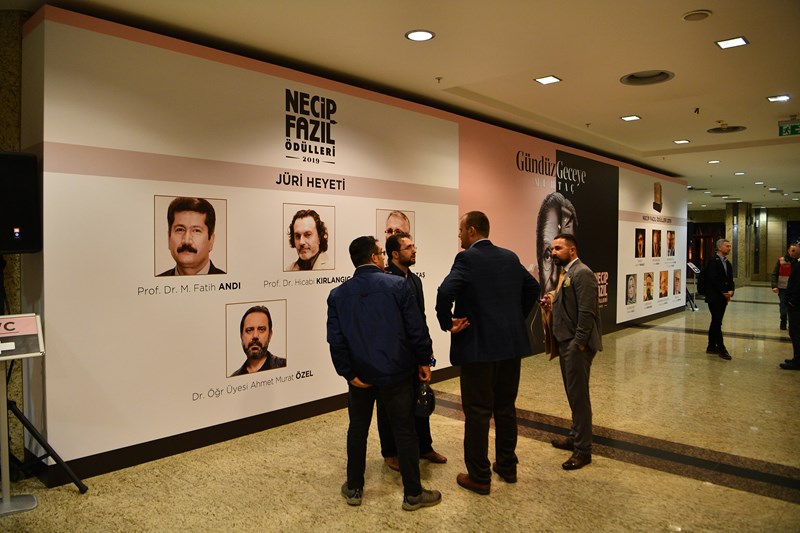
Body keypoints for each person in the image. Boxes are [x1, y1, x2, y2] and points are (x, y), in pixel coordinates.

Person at [327, 236, 441, 511]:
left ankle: (354, 488)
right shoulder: (398, 286)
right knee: (405, 430)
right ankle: (413, 493)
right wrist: (424, 360)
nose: (382, 256)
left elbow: (336, 340)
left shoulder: (338, 295)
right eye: (380, 252)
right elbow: (416, 329)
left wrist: (348, 373)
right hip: (396, 373)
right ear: (374, 257)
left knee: (358, 430)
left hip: (360, 378)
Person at [436, 211, 540, 495]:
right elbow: (533, 287)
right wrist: (514, 319)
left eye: (460, 230)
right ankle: (507, 466)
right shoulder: (509, 257)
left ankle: (479, 476)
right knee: (505, 408)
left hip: (478, 349)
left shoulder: (467, 259)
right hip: (511, 347)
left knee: (478, 412)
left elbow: (445, 292)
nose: (459, 235)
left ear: (472, 230)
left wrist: (447, 322)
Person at [377, 232, 447, 471]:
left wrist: (426, 352)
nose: (414, 250)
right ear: (395, 254)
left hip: (415, 353)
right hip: (394, 356)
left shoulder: (415, 281)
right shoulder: (385, 281)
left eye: (413, 246)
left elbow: (420, 319)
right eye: (408, 247)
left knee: (421, 399)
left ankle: (425, 447)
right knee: (389, 406)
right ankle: (390, 452)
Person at [540, 233, 602, 471]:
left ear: (572, 250)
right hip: (566, 343)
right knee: (572, 394)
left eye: (558, 248)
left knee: (579, 397)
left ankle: (583, 450)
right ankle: (576, 436)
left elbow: (587, 311)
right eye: (552, 248)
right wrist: (551, 301)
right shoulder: (567, 273)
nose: (553, 252)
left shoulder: (582, 273)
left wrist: (579, 343)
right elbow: (567, 301)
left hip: (576, 346)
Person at [158, 197, 226, 276]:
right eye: (180, 230)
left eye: (196, 230)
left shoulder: (228, 280)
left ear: (211, 240)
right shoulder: (155, 281)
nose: (186, 240)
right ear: (168, 238)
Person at [536, 192, 578, 294]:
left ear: (573, 250)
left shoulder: (583, 275)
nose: (554, 278)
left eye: (559, 249)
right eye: (548, 256)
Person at [230, 305, 286, 376]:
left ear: (270, 335)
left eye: (261, 329)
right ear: (241, 336)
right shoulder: (234, 377)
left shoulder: (285, 366)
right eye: (249, 330)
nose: (255, 336)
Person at [704, 238, 735, 360]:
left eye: (730, 246)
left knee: (716, 321)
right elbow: (713, 279)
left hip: (723, 297)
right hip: (714, 297)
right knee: (717, 322)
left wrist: (731, 290)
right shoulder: (713, 261)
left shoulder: (727, 263)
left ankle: (711, 346)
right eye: (727, 246)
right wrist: (724, 292)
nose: (729, 248)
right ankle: (722, 348)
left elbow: (730, 279)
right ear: (719, 247)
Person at [771, 243, 799, 330]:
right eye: (792, 250)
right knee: (783, 307)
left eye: (796, 250)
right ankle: (783, 321)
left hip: (795, 290)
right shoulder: (781, 260)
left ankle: (792, 324)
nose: (794, 252)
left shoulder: (798, 262)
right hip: (783, 288)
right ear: (788, 251)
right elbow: (774, 273)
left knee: (793, 307)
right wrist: (774, 286)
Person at [779, 253, 800, 370]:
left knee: (796, 332)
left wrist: (793, 301)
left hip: (796, 305)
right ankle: (796, 358)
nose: (796, 247)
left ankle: (797, 361)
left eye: (798, 245)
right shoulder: (795, 261)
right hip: (795, 303)